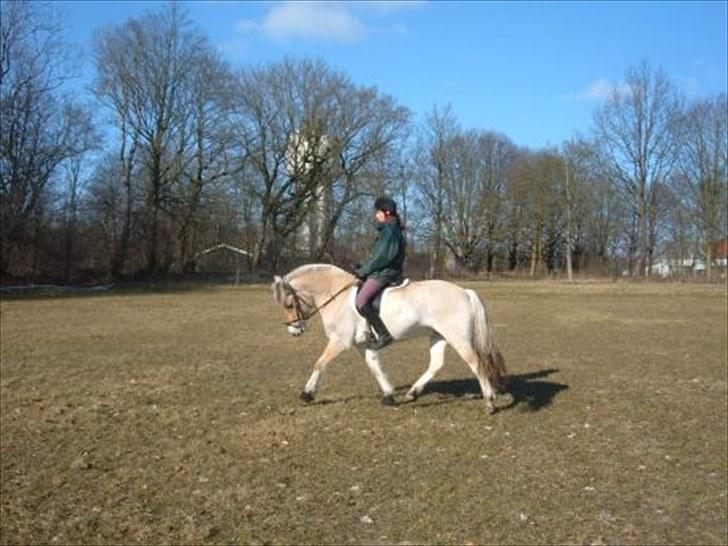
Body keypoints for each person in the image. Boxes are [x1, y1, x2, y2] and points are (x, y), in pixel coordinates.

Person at [354, 196, 406, 350]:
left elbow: (383, 257)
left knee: (361, 300)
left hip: (385, 273)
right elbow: (376, 255)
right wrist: (362, 265)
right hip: (383, 270)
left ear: (387, 212)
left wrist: (364, 270)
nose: (376, 215)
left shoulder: (390, 231)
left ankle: (383, 334)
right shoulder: (388, 229)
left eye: (378, 212)